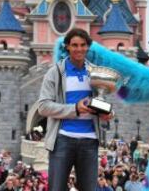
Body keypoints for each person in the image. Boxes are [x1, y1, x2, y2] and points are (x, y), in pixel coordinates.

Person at [38, 29, 113, 191]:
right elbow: (43, 106)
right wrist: (75, 109)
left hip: (90, 141)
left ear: (88, 47)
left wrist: (107, 113)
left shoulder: (95, 73)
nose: (79, 49)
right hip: (62, 140)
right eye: (74, 45)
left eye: (82, 45)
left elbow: (101, 101)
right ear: (67, 47)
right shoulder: (55, 73)